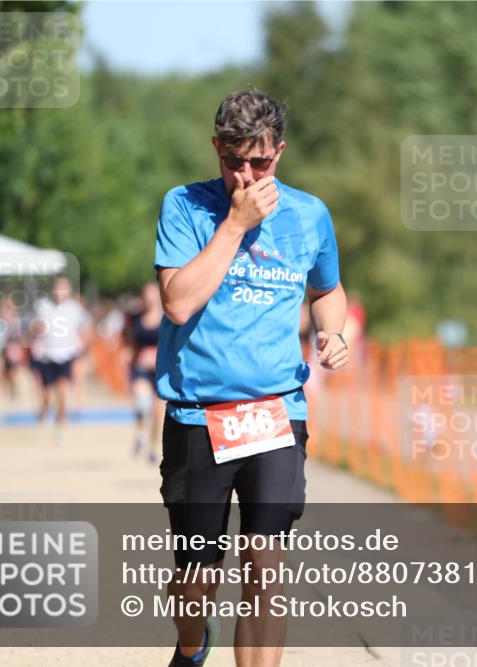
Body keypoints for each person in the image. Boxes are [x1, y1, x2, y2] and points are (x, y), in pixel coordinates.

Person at [155, 88, 348, 667]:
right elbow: (178, 304)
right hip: (198, 416)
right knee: (196, 578)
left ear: (279, 153)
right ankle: (192, 646)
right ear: (216, 149)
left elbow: (329, 289)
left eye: (258, 163)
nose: (245, 175)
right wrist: (235, 225)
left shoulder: (310, 214)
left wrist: (331, 331)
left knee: (266, 567)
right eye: (232, 160)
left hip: (275, 413)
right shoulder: (184, 207)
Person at [30, 275, 89, 443]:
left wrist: (81, 349)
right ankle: (43, 412)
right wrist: (37, 329)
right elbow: (34, 327)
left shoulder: (75, 309)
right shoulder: (43, 307)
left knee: (63, 392)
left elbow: (84, 329)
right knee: (47, 395)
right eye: (58, 287)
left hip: (66, 356)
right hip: (47, 355)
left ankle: (60, 427)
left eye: (64, 288)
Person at [125, 282, 165, 463]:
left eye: (152, 294)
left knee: (158, 412)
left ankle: (153, 446)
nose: (149, 298)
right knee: (142, 402)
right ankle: (141, 431)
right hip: (140, 369)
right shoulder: (135, 318)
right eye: (146, 295)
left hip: (161, 370)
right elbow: (129, 342)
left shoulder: (168, 317)